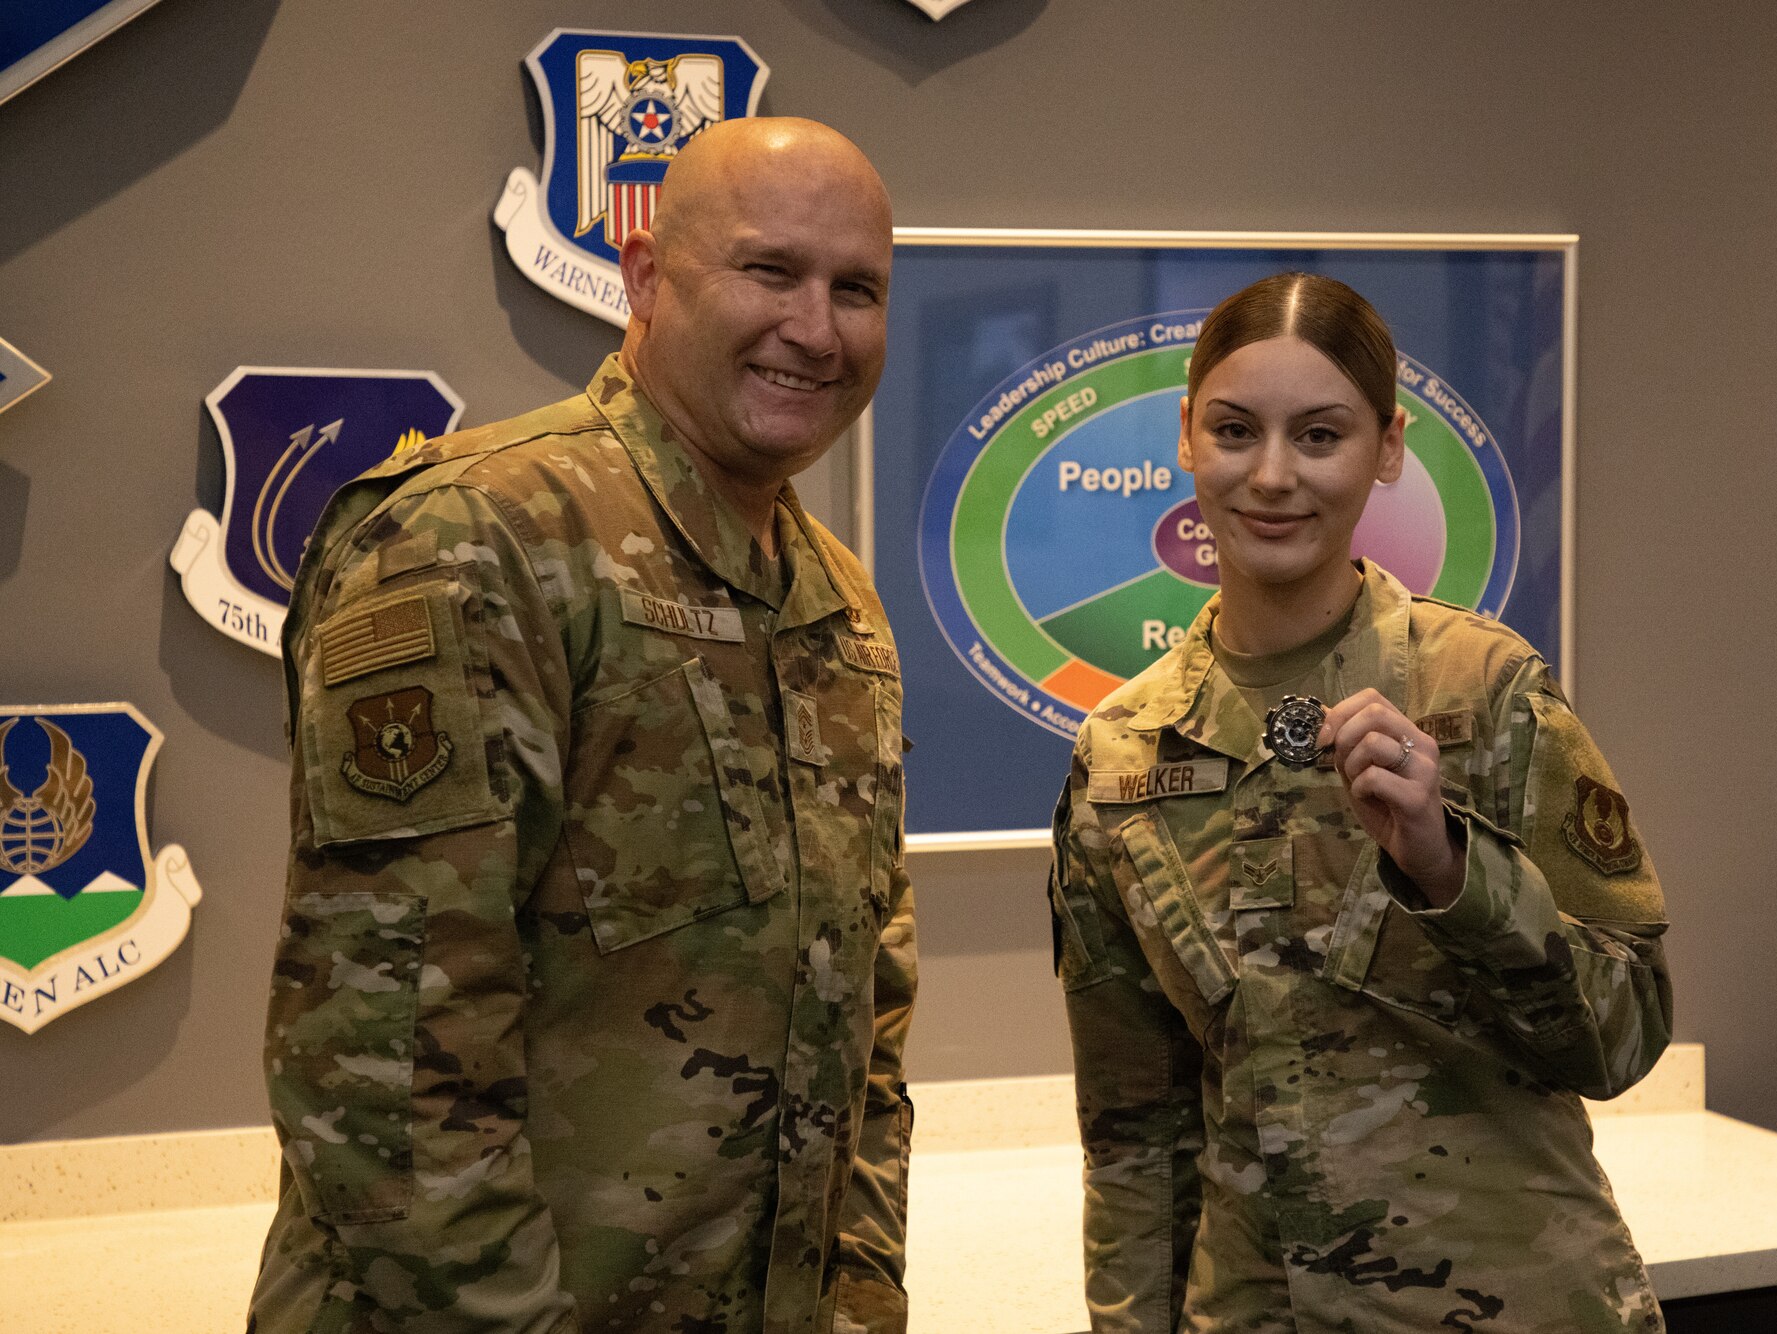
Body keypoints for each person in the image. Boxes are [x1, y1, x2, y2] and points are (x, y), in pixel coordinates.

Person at [250, 118, 916, 1334]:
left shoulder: (837, 600)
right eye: (769, 270)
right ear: (646, 273)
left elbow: (866, 1018)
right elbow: (387, 1059)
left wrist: (861, 1303)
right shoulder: (478, 536)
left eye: (855, 289)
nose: (816, 329)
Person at [1049, 273, 1671, 1332]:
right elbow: (1133, 1135)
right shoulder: (1121, 753)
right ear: (1186, 436)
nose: (1273, 475)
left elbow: (1621, 1036)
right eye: (1235, 429)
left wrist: (1449, 869)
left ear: (1386, 448)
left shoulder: (1483, 690)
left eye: (1320, 434)